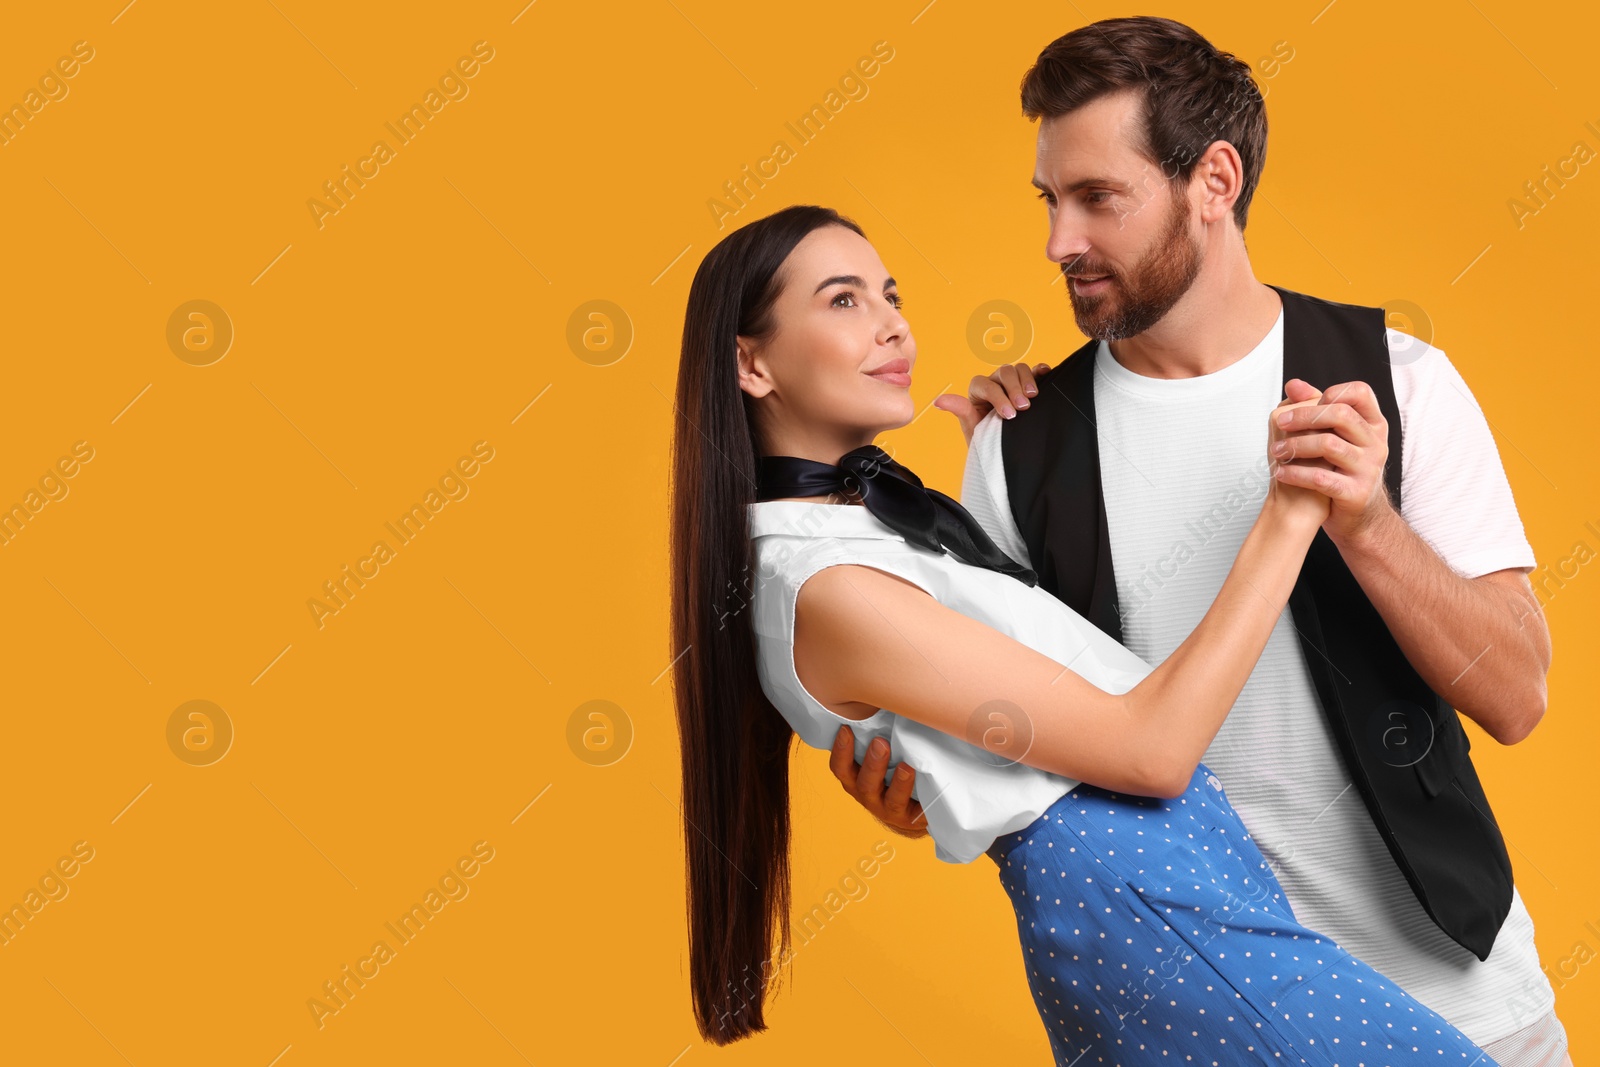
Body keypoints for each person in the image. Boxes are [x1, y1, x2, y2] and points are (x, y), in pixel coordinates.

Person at [830, 16, 1568, 1066]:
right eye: (1049, 200)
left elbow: (1517, 695)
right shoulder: (1017, 448)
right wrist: (924, 789)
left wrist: (1367, 524)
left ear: (1212, 180)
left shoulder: (1398, 381)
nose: (1057, 243)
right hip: (1188, 1026)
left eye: (1097, 198)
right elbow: (1010, 746)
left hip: (1460, 1008)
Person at [668, 202, 1503, 1064]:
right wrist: (1294, 509)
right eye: (843, 301)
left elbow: (1014, 699)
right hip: (1150, 909)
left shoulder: (861, 529)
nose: (892, 325)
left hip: (1169, 902)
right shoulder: (821, 580)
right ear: (751, 363)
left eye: (890, 293)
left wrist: (1031, 450)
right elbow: (1150, 750)